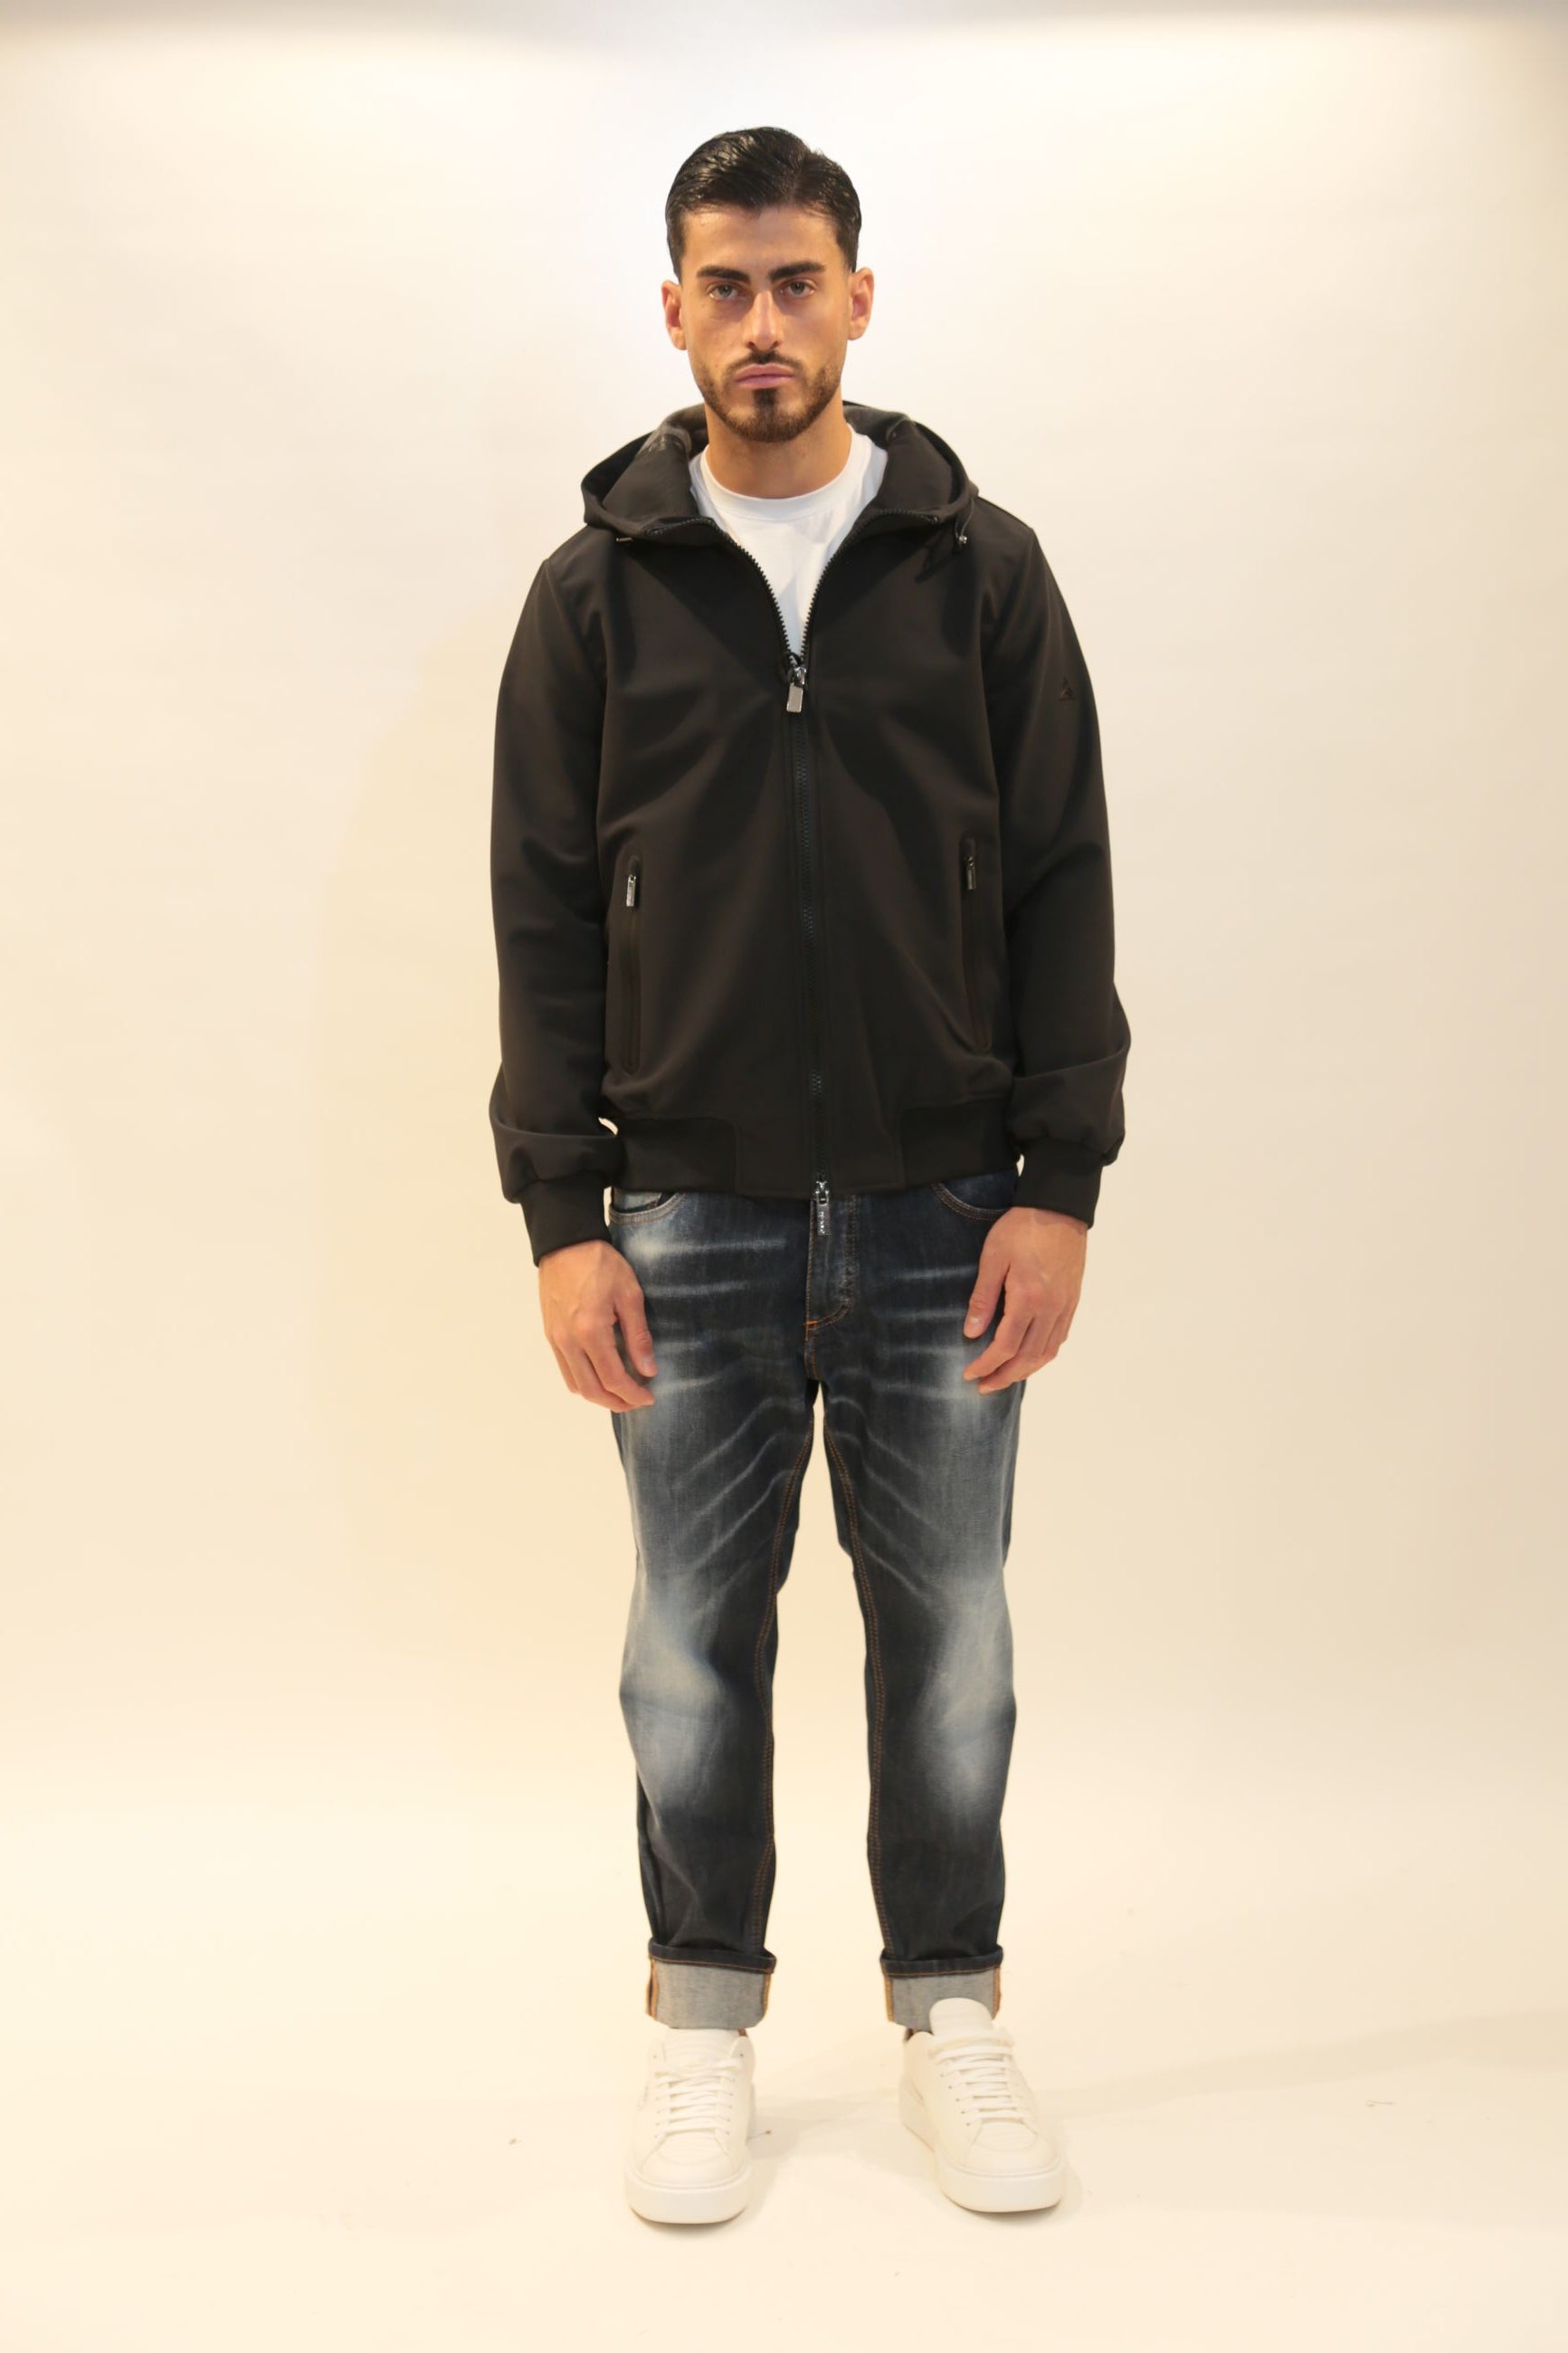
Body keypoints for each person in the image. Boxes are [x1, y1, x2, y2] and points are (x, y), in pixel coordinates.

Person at [487, 125, 1131, 2224]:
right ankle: (702, 2027)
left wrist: (1059, 1177)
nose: (761, 324)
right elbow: (543, 916)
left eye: (795, 283)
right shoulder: (595, 596)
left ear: (859, 297)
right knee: (690, 1640)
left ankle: (951, 2011)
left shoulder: (980, 570)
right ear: (673, 312)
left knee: (952, 1643)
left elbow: (1058, 877)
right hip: (689, 1210)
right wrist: (565, 1215)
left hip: (949, 1205)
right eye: (725, 288)